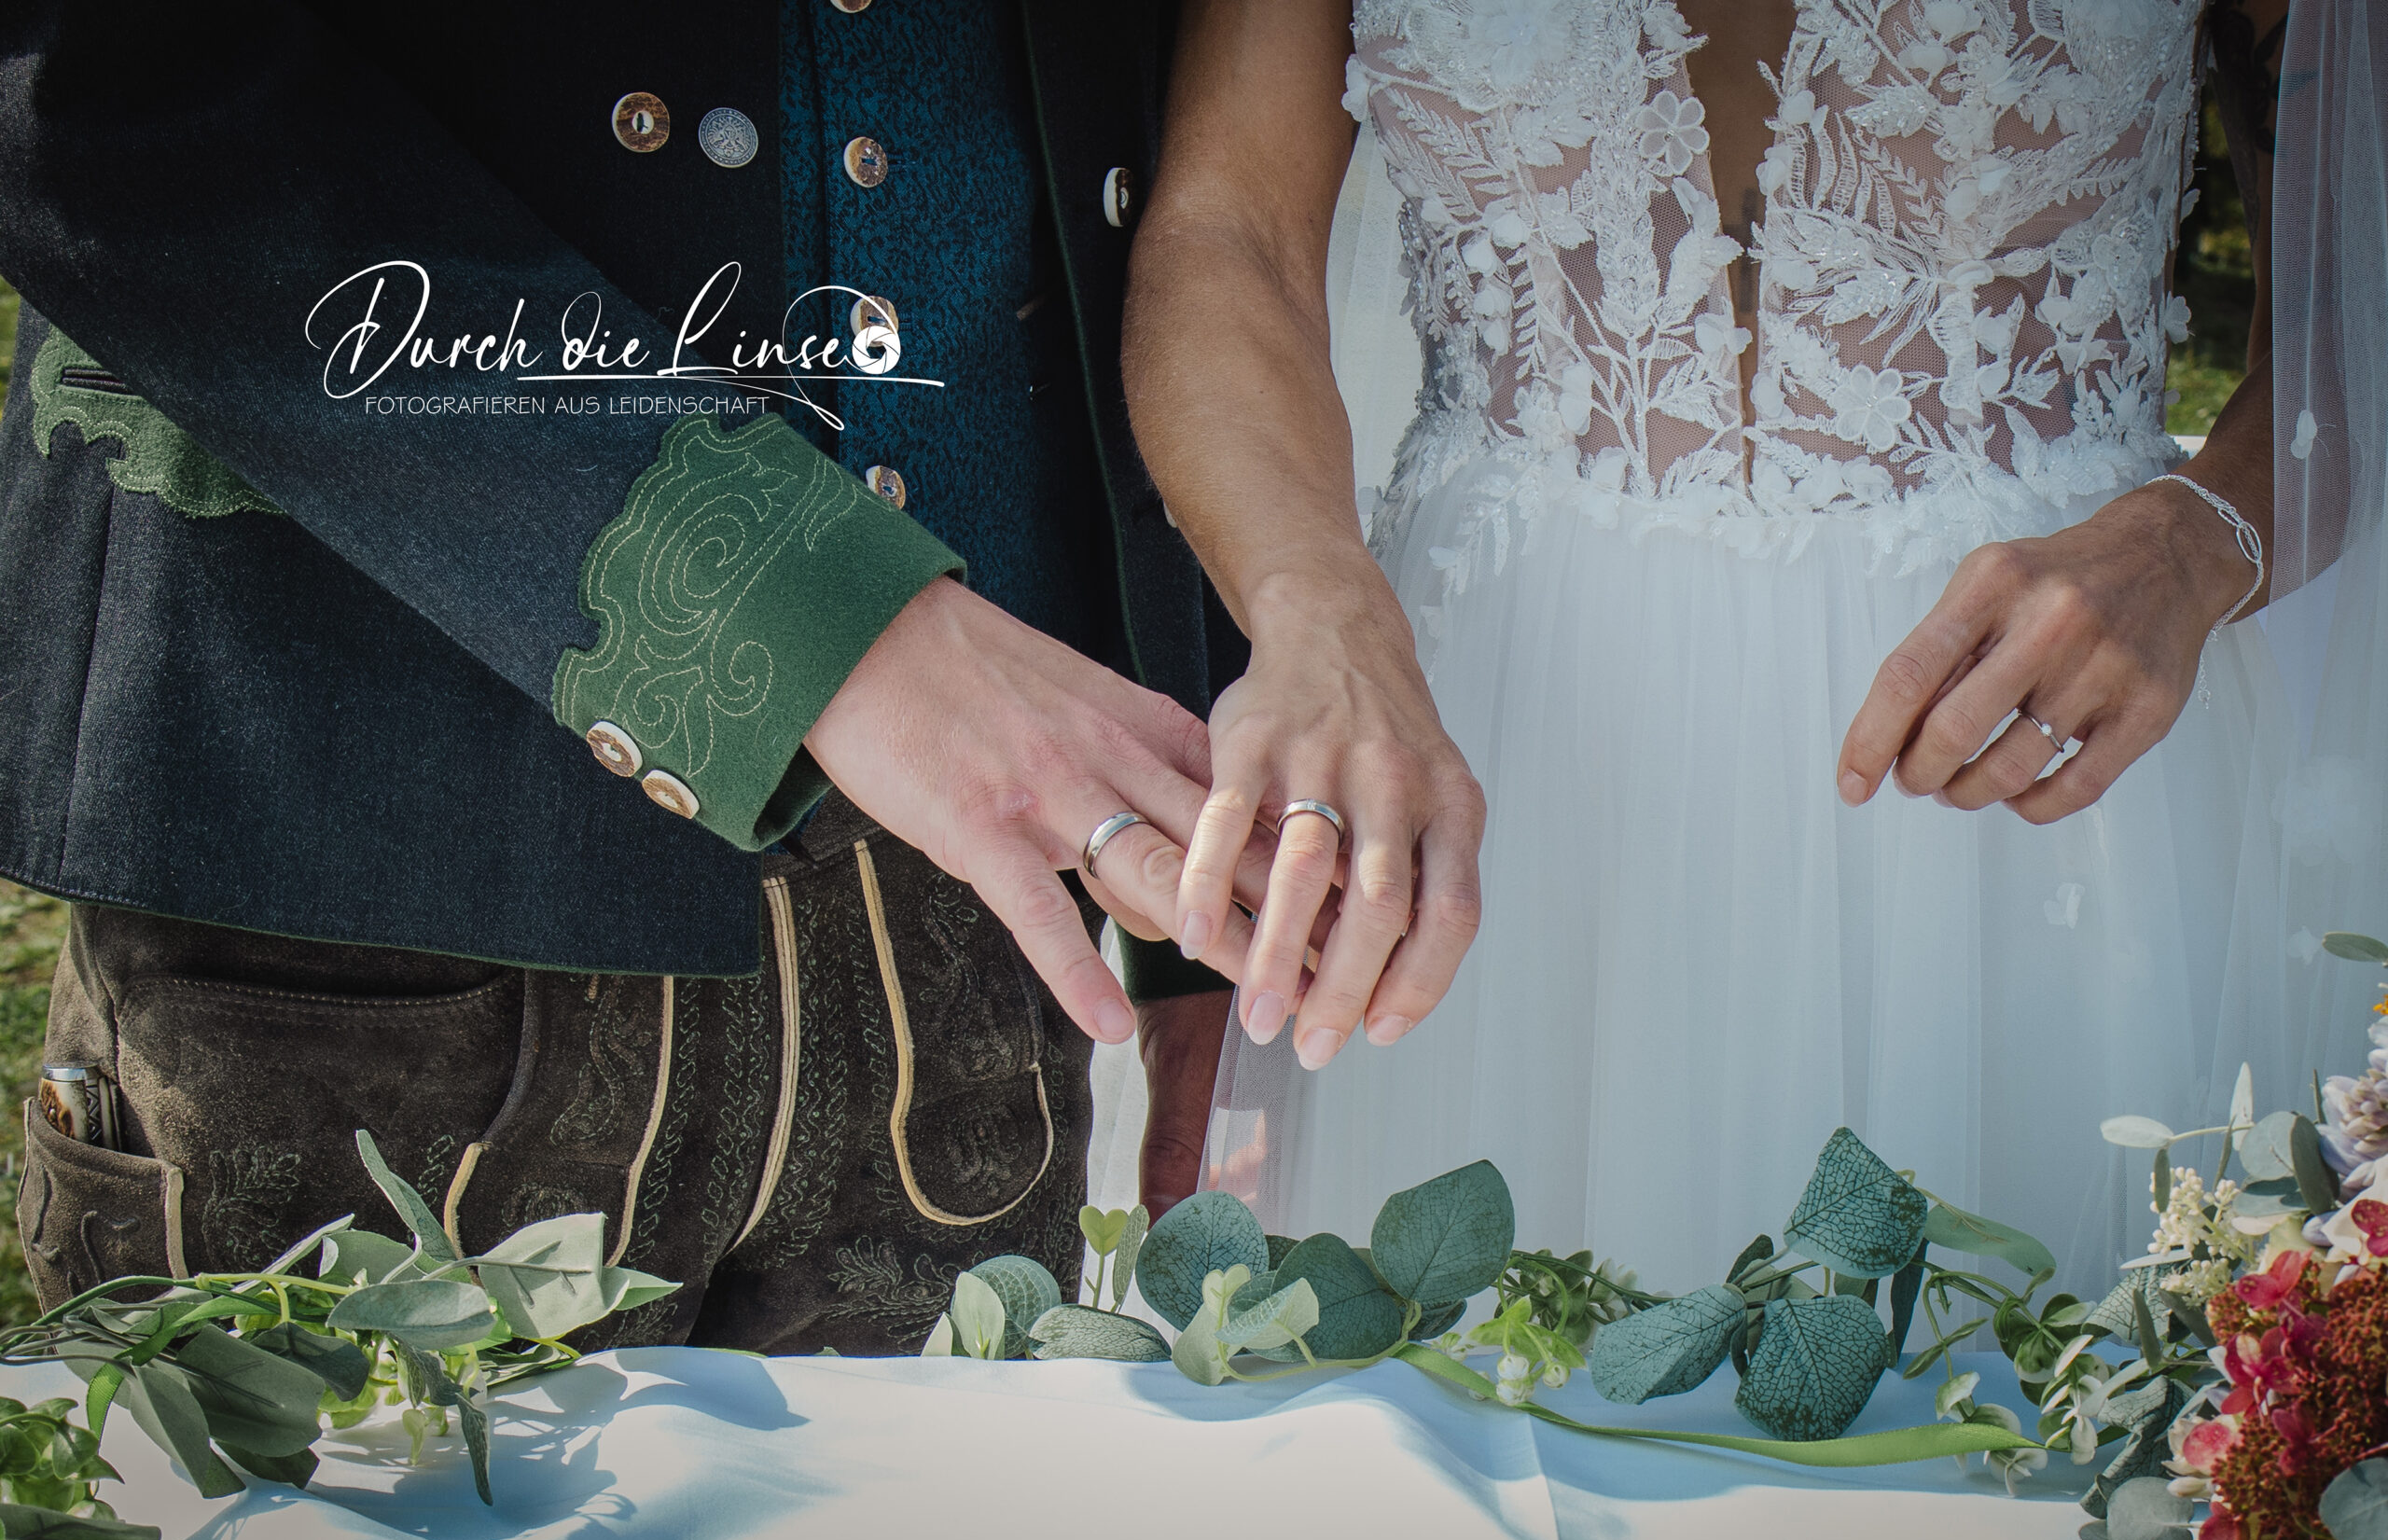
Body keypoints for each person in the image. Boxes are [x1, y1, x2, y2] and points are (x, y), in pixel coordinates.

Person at [0, 0, 1273, 1353]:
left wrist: (1187, 850)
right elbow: (92, 69)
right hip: (364, 853)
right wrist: (802, 615)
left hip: (989, 883)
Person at [1126, 0, 2388, 1293]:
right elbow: (1230, 231)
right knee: (1476, 1379)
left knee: (2058, 1368)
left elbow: (2362, 280)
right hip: (1494, 749)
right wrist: (1316, 610)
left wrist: (2192, 544)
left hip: (2043, 731)